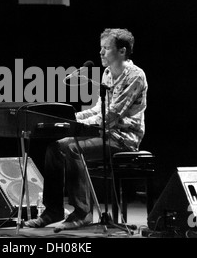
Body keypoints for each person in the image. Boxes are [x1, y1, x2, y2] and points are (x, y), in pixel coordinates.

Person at [24, 28, 148, 230]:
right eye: (101, 48)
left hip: (123, 139)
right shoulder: (108, 73)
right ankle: (53, 209)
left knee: (70, 147)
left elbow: (112, 115)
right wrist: (68, 118)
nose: (100, 53)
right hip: (104, 134)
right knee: (54, 148)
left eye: (106, 48)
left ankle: (82, 213)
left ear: (122, 51)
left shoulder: (135, 76)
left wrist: (75, 125)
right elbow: (99, 109)